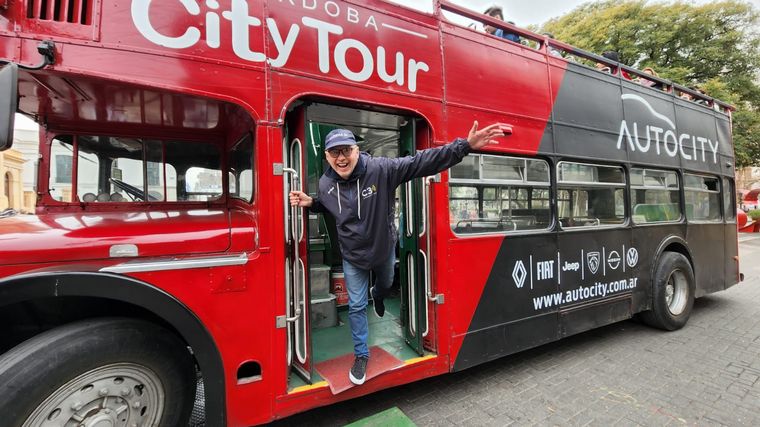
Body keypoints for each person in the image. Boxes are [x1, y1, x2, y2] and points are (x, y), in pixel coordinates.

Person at [289, 122, 505, 385]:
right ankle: (361, 355)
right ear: (326, 156)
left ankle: (378, 294)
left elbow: (421, 162)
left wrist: (465, 146)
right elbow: (330, 204)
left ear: (357, 150)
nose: (341, 158)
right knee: (356, 306)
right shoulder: (325, 183)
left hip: (382, 251)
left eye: (346, 150)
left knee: (386, 284)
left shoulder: (381, 170)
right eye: (334, 152)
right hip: (352, 256)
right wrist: (312, 203)